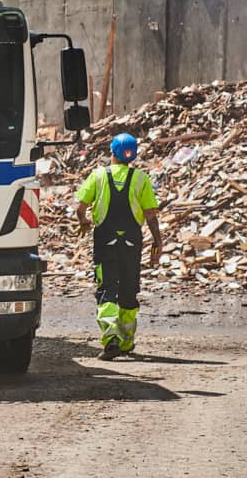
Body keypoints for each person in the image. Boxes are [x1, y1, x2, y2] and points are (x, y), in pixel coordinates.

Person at [75, 133, 162, 359]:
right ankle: (126, 341)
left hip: (105, 243)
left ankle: (111, 338)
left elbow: (80, 208)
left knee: (106, 289)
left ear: (112, 152)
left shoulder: (98, 175)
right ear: (133, 155)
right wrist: (157, 246)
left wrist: (84, 222)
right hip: (132, 243)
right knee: (129, 289)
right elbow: (151, 215)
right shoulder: (141, 178)